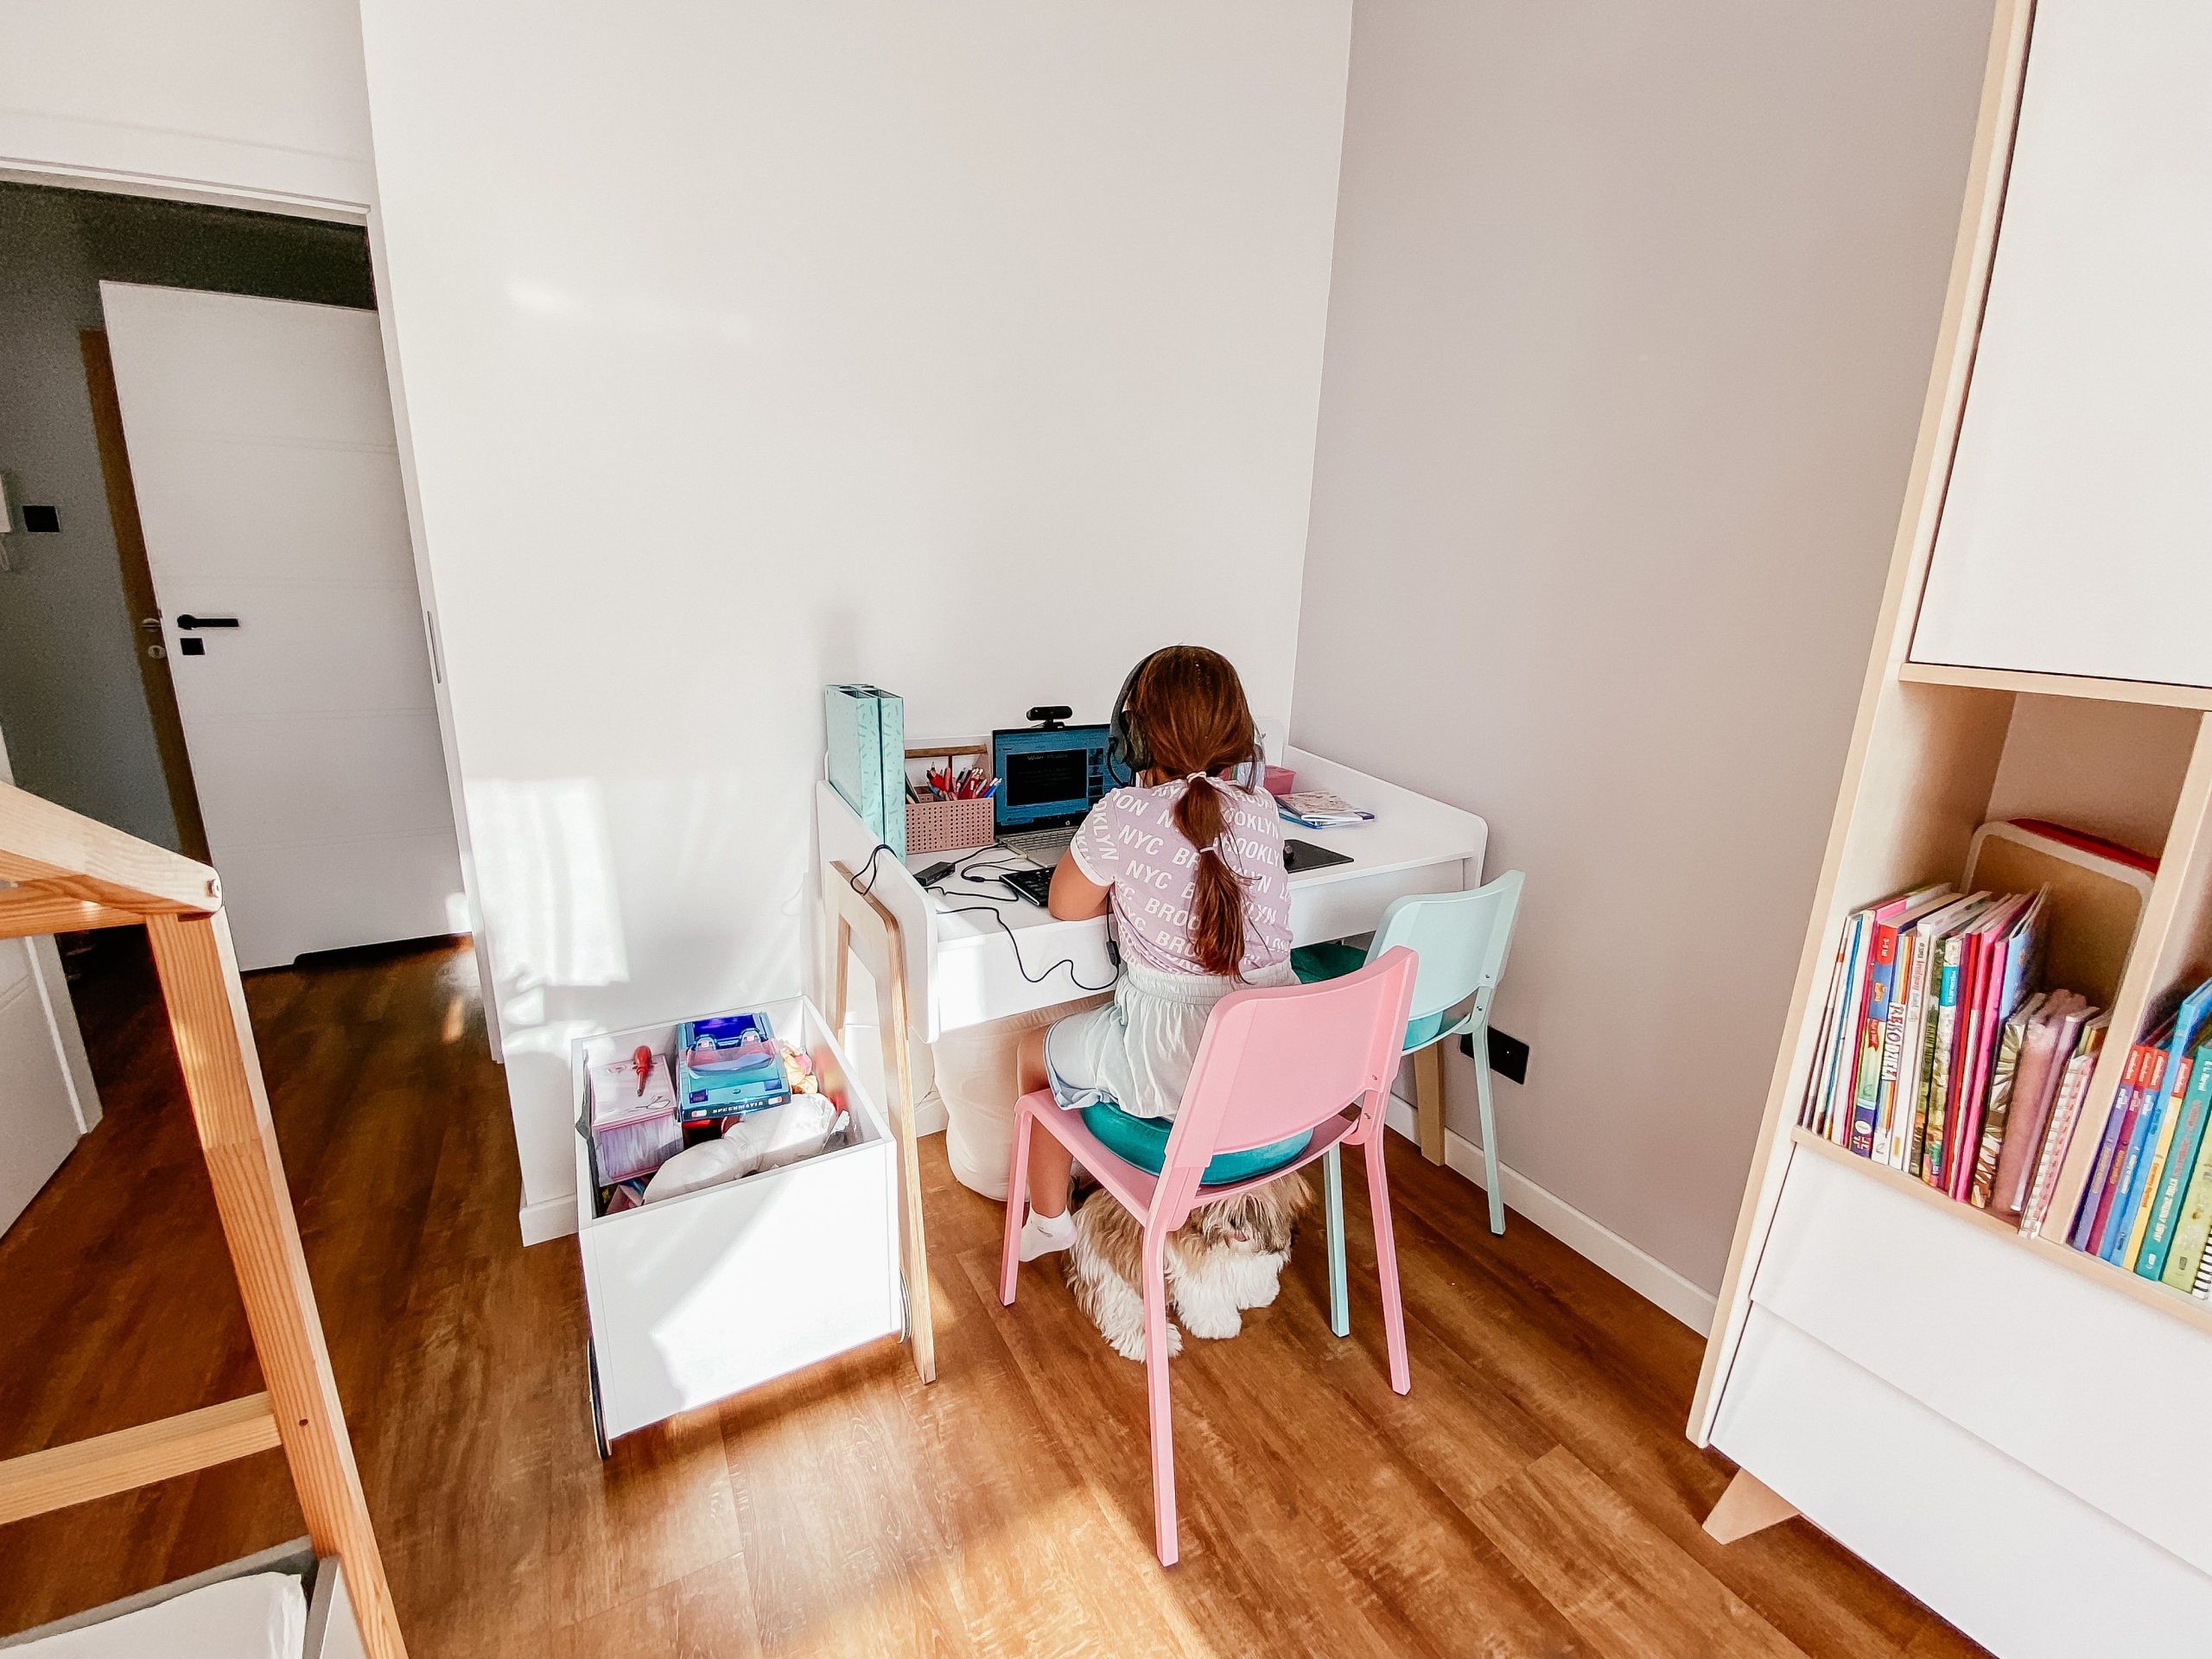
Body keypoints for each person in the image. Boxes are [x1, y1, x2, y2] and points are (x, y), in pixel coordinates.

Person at [1013, 645, 1300, 1262]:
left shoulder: (1121, 814)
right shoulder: (1262, 809)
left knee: (1031, 1053)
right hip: (1276, 1073)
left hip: (1174, 1067)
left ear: (1134, 739)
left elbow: (1065, 904)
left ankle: (1049, 1221)